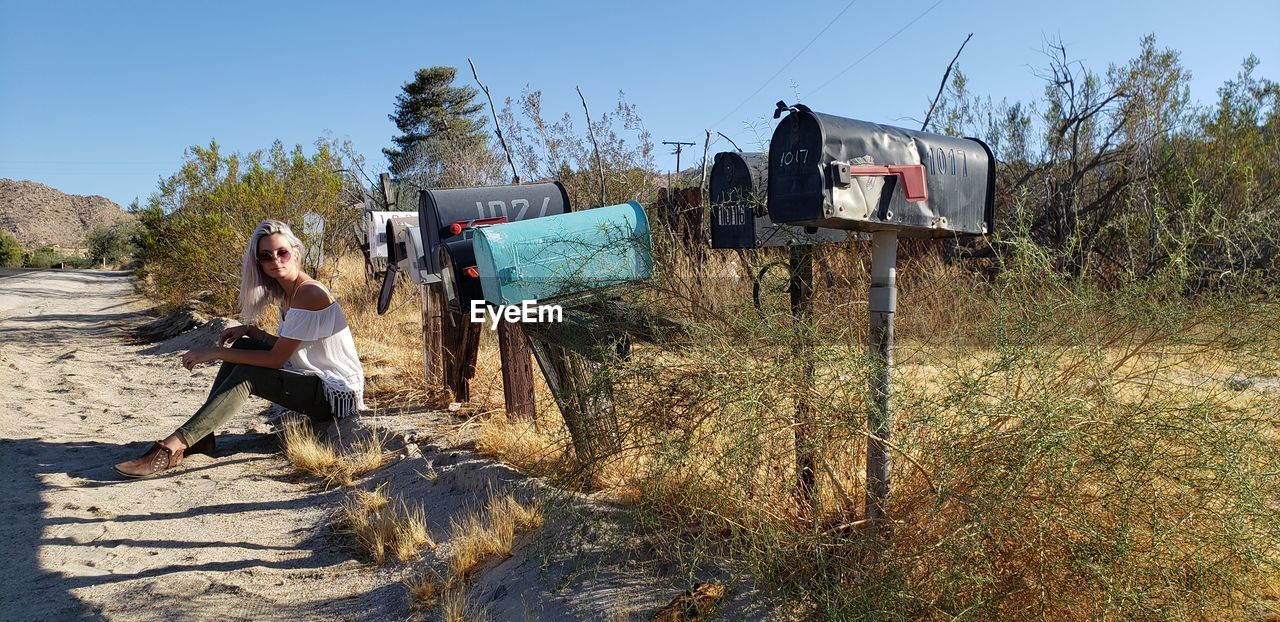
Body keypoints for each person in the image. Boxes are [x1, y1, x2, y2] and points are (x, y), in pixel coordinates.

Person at [116, 220, 365, 478]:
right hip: (314, 382)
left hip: (336, 396)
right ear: (258, 263)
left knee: (250, 374)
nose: (275, 260)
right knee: (246, 345)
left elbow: (276, 360)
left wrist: (215, 352)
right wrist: (250, 331)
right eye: (265, 256)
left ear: (297, 252)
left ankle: (172, 447)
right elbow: (292, 348)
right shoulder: (288, 293)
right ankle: (202, 435)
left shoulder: (309, 292)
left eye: (282, 253)